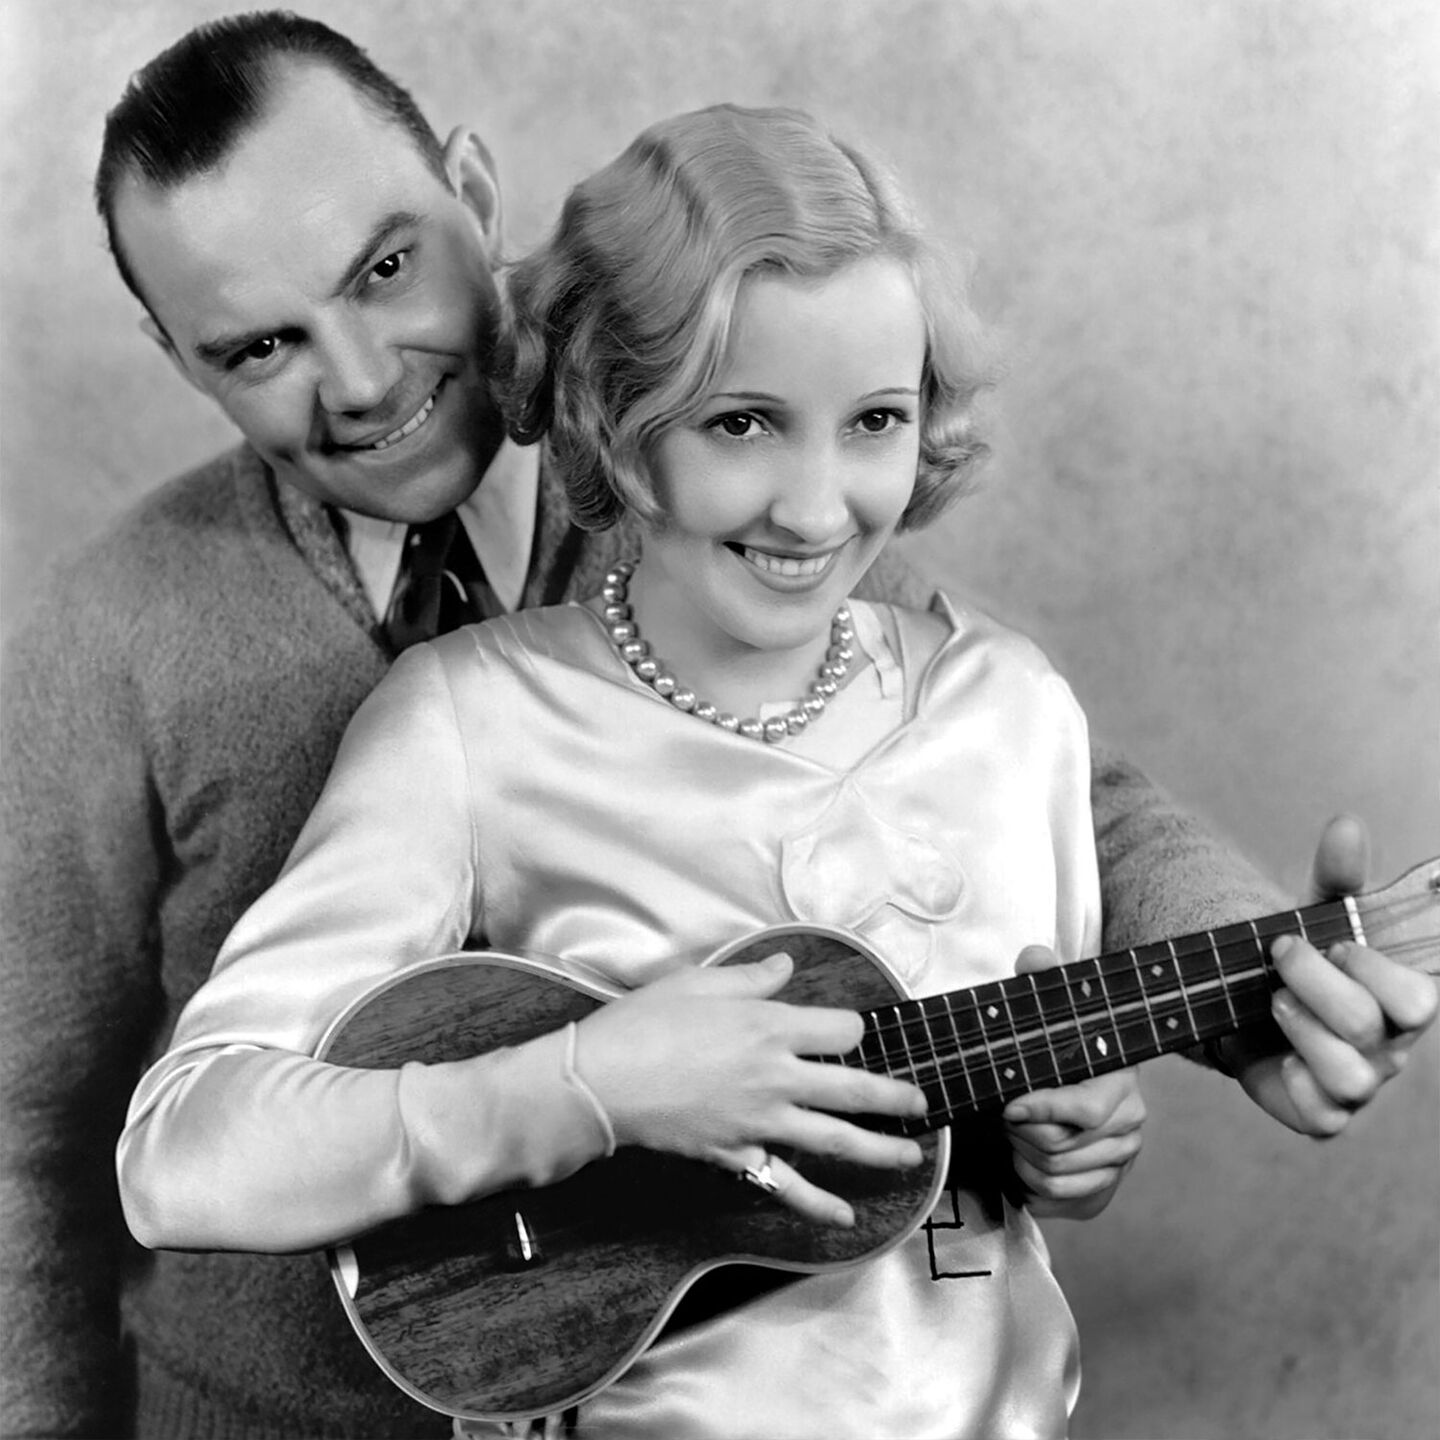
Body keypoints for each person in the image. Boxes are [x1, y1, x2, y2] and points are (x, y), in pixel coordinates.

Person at [0, 14, 1430, 1440]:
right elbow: (30, 1133)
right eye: (259, 346)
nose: (365, 375)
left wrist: (1255, 994)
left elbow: (1016, 786)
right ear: (175, 354)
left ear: (474, 195)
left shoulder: (729, 418)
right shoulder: (126, 634)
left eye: (385, 268)